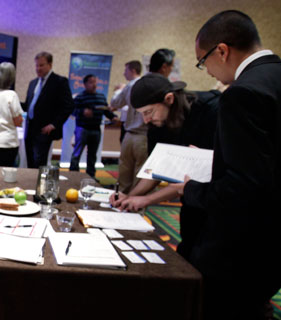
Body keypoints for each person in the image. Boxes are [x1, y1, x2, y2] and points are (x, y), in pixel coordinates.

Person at [176, 10, 281, 320]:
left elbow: (245, 187)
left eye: (203, 62)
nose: (206, 72)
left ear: (222, 51)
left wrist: (190, 191)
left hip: (240, 248)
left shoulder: (243, 94)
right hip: (271, 247)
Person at [109, 73, 220, 212]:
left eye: (148, 112)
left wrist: (147, 199)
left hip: (217, 200)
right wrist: (129, 197)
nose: (146, 120)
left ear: (169, 99)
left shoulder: (210, 111)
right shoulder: (157, 124)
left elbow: (194, 177)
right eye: (142, 114)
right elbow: (156, 170)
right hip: (189, 201)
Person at [23, 51, 74, 168]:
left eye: (41, 65)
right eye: (36, 65)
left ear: (50, 65)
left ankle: (38, 185)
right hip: (30, 129)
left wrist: (54, 124)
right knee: (30, 161)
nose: (38, 68)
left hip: (45, 130)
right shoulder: (33, 83)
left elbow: (69, 105)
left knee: (39, 162)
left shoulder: (59, 82)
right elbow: (28, 105)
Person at [69, 74, 118, 178]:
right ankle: (73, 175)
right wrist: (83, 111)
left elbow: (106, 111)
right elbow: (72, 111)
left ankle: (90, 177)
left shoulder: (101, 97)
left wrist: (113, 117)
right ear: (85, 84)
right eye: (91, 82)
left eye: (95, 82)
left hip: (96, 130)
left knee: (92, 155)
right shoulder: (80, 97)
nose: (94, 84)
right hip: (82, 129)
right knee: (77, 153)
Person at [110, 60, 148, 193]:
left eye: (125, 70)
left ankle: (120, 205)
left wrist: (119, 90)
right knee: (139, 176)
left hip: (129, 135)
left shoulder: (130, 86)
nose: (123, 73)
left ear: (132, 71)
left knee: (124, 176)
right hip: (144, 137)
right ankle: (135, 209)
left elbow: (115, 102)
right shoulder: (147, 85)